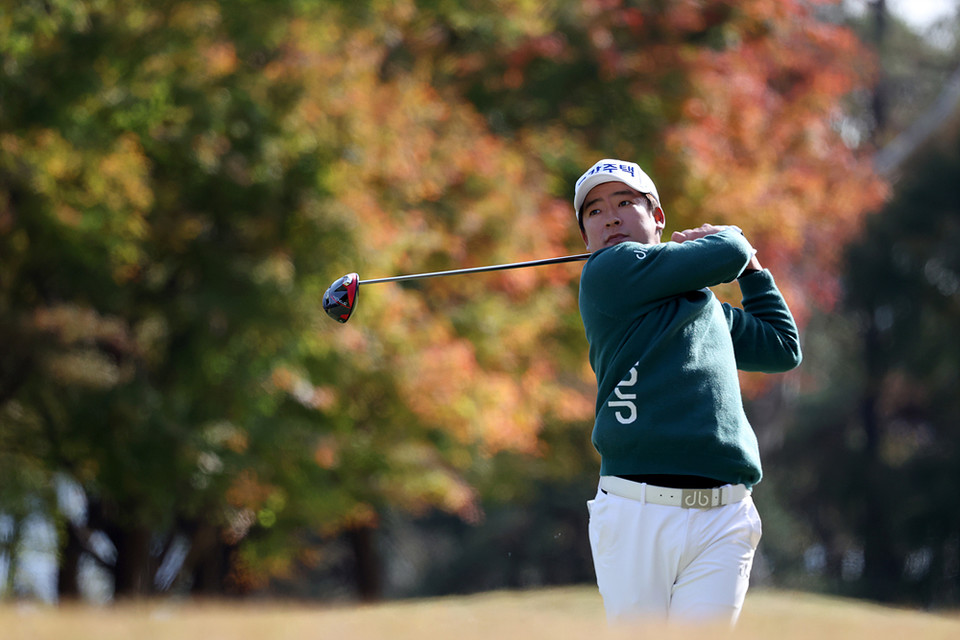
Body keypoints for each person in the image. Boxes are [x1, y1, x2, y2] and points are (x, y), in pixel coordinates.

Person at [574, 159, 802, 625]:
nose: (611, 217)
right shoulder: (607, 272)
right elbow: (729, 247)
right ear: (586, 239)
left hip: (725, 514)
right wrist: (732, 241)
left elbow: (782, 347)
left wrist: (753, 269)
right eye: (594, 211)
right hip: (636, 509)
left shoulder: (704, 305)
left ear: (657, 217)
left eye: (625, 203)